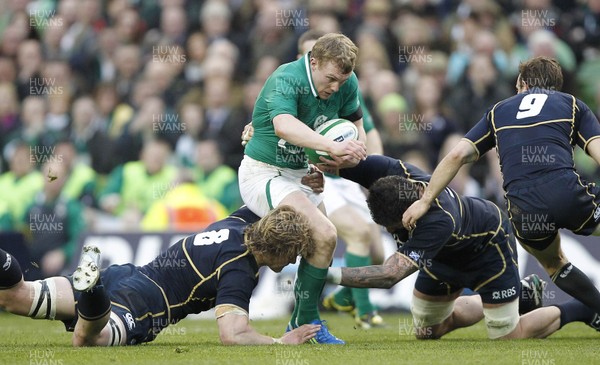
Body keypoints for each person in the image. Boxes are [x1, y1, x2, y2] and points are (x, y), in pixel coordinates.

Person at [315, 154, 600, 339]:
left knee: (507, 337)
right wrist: (317, 165)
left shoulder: (438, 220)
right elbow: (347, 163)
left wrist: (324, 273)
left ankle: (581, 310)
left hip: (488, 249)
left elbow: (390, 275)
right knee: (428, 332)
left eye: (396, 229)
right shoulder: (395, 172)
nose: (392, 233)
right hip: (441, 256)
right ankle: (524, 294)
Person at [402, 56, 600, 316]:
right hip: (567, 192)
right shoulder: (571, 104)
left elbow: (455, 156)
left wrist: (425, 200)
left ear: (524, 83)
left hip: (523, 207)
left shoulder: (498, 111)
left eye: (518, 87)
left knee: (555, 265)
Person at [0, 205, 321, 346]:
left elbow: (265, 197)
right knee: (87, 341)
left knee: (15, 296)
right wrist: (282, 341)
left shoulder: (238, 223)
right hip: (144, 305)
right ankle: (92, 291)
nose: (295, 258)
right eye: (294, 251)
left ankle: (6, 262)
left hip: (127, 274)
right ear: (279, 250)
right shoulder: (239, 269)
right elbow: (233, 335)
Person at [238, 32, 368, 344]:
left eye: (343, 79)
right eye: (331, 78)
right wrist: (330, 148)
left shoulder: (347, 83)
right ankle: (307, 319)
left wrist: (345, 156)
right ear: (313, 61)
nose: (336, 87)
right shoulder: (286, 79)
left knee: (323, 243)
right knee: (325, 232)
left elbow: (357, 130)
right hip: (264, 172)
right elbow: (284, 125)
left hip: (300, 174)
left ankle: (301, 322)